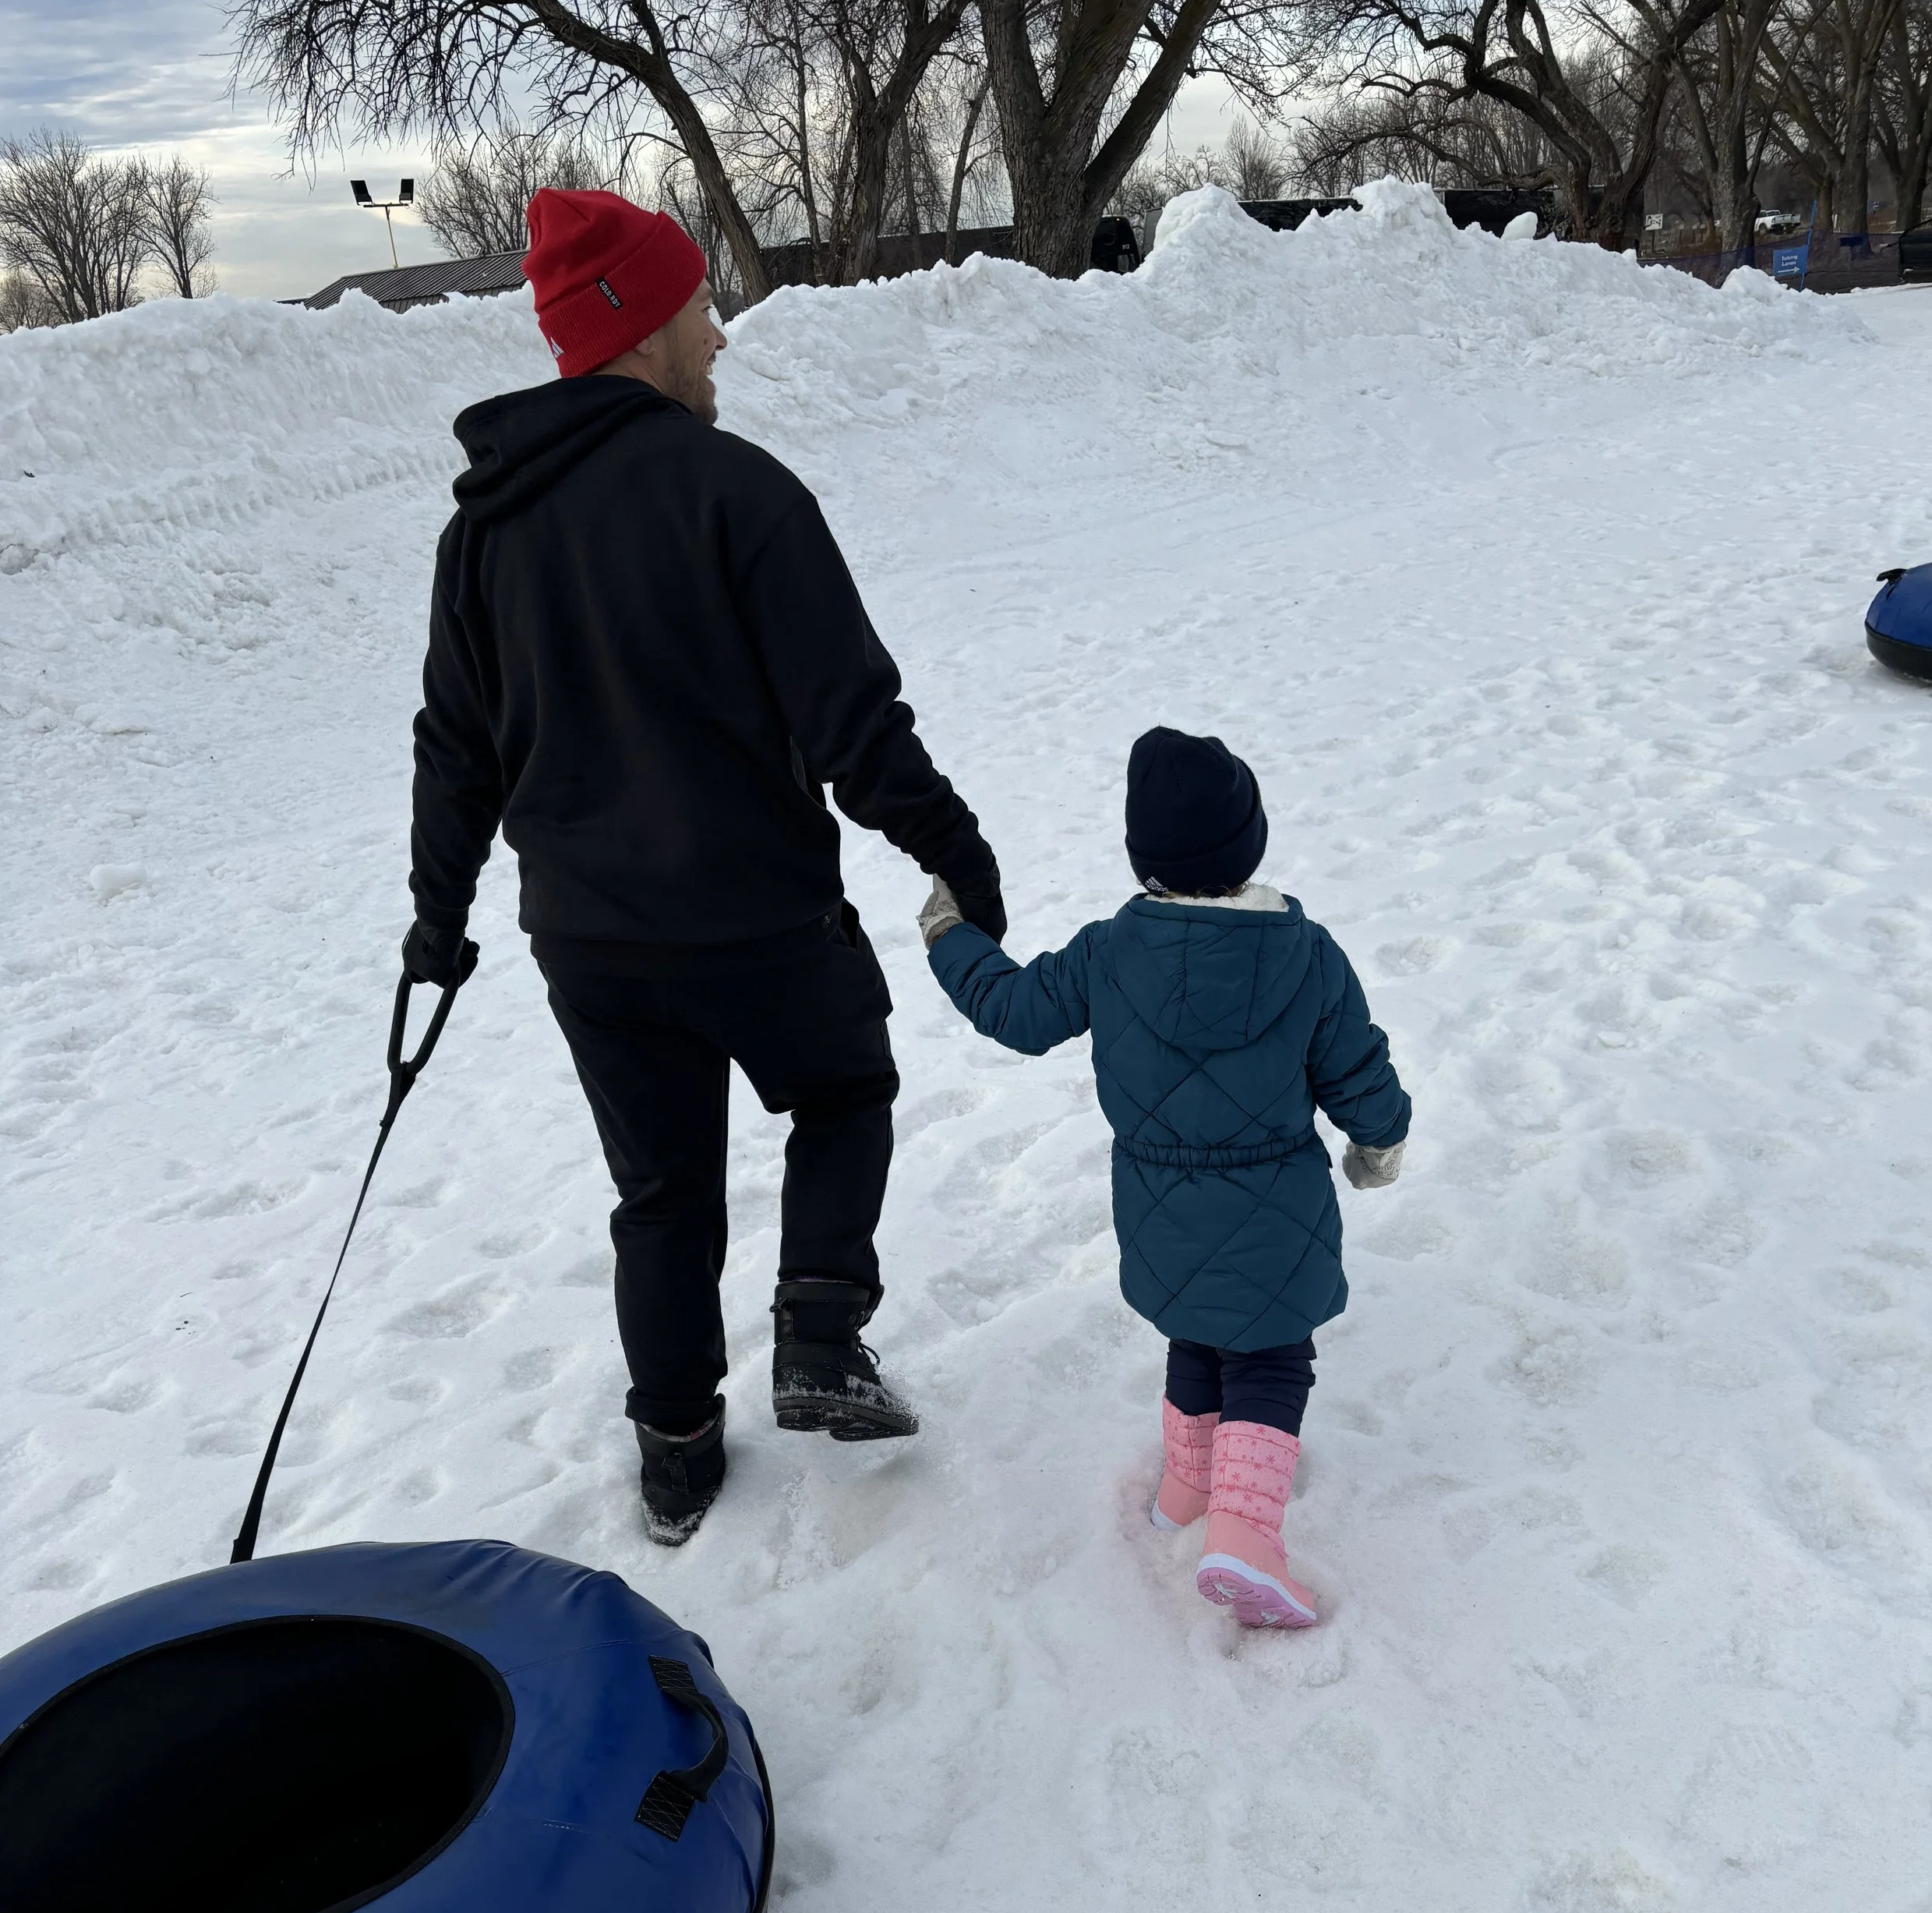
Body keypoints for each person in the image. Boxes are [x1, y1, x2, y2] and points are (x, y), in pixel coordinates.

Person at [401, 187, 1006, 1545]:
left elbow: (457, 748)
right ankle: (817, 1328)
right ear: (638, 324)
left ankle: (676, 1449)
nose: (718, 334)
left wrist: (436, 927)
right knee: (846, 1089)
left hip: (593, 940)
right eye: (697, 307)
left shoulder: (482, 532)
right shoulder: (737, 490)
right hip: (759, 916)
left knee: (662, 1189)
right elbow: (853, 719)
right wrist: (958, 853)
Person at [920, 727, 1411, 1630]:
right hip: (1276, 1211)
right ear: (1250, 844)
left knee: (1195, 1330)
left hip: (1155, 1211)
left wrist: (951, 934)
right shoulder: (1306, 954)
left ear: (1142, 857)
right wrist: (1379, 1141)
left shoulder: (1109, 951)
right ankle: (1245, 1533)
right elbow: (1356, 1070)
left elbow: (1015, 1011)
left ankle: (1185, 1490)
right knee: (1268, 1356)